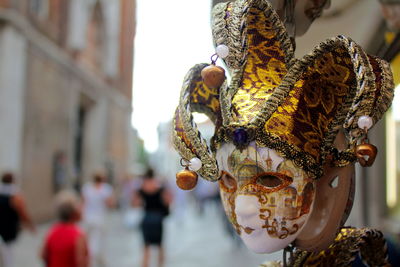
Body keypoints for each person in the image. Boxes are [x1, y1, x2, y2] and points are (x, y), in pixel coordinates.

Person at [132, 169, 172, 267]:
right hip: (158, 217)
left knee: (146, 245)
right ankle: (160, 264)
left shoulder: (142, 187)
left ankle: (145, 264)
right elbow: (168, 201)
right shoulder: (159, 186)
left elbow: (135, 203)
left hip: (147, 217)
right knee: (159, 245)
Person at [41, 190, 89, 267]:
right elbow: (81, 262)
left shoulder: (52, 231)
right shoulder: (78, 235)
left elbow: (43, 255)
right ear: (74, 212)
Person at [0, 172, 35, 267]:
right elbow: (22, 211)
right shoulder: (14, 194)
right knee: (8, 252)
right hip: (8, 226)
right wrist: (30, 224)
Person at [81, 172, 114, 267]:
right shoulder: (106, 189)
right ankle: (93, 257)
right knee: (97, 240)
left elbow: (83, 202)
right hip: (100, 218)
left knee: (89, 239)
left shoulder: (87, 188)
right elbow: (110, 203)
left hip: (88, 217)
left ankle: (92, 256)